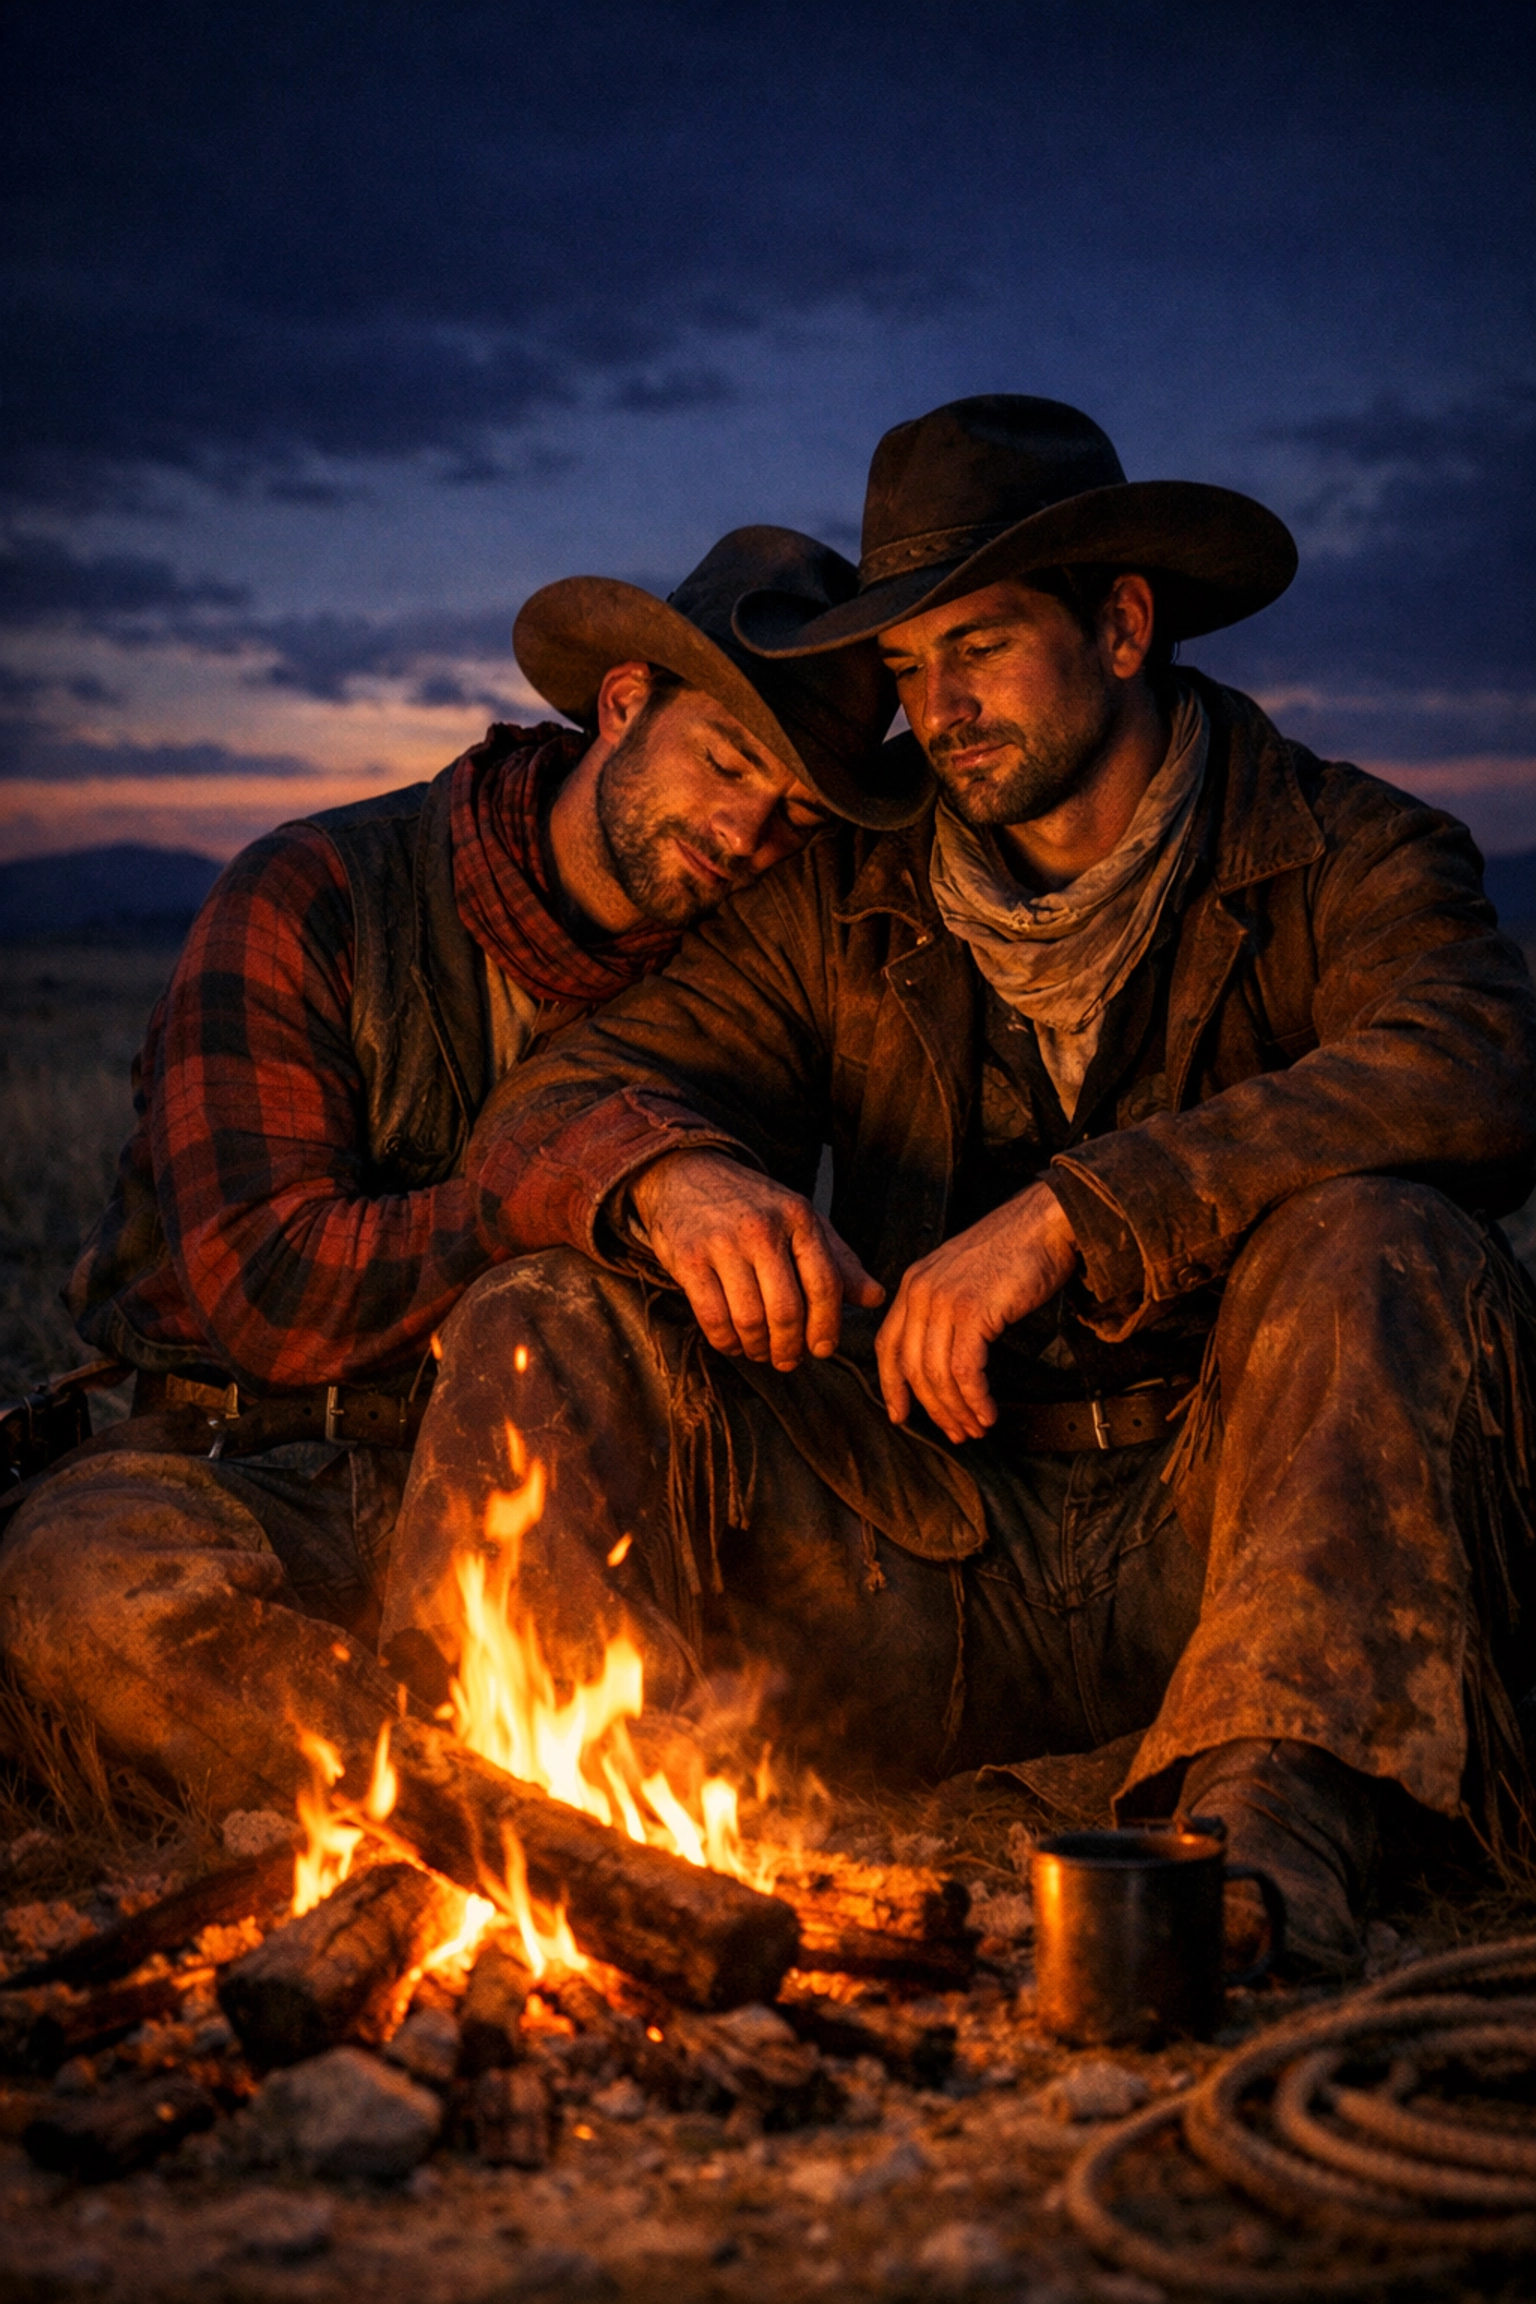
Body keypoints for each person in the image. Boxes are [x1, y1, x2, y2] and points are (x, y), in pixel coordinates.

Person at [381, 397, 1536, 1977]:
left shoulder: (1347, 849)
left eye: (979, 648)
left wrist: (1079, 1212)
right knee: (548, 1310)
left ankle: (1270, 1855)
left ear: (1121, 627)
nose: (939, 711)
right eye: (910, 667)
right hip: (924, 1558)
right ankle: (541, 1850)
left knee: (1383, 1236)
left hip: (1234, 1551)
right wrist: (678, 1180)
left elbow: (1477, 1064)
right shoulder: (846, 891)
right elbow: (557, 1100)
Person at [0, 526, 916, 1787]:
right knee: (81, 1587)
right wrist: (569, 1192)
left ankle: (481, 1794)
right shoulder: (313, 895)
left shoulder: (741, 977)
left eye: (794, 814)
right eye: (727, 760)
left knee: (829, 1642)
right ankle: (468, 1801)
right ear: (625, 702)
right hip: (242, 1470)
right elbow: (272, 1292)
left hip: (553, 1492)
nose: (745, 828)